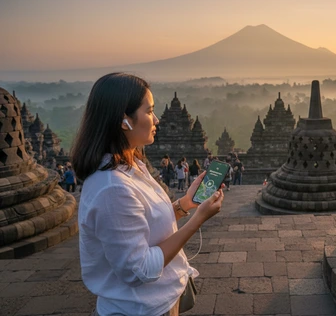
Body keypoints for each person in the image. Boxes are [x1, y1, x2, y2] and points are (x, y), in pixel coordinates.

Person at [71, 73, 224, 316]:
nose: (157, 119)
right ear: (125, 121)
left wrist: (186, 203)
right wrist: (198, 221)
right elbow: (139, 269)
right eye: (149, 111)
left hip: (157, 302)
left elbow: (145, 225)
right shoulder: (112, 188)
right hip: (138, 309)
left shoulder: (130, 165)